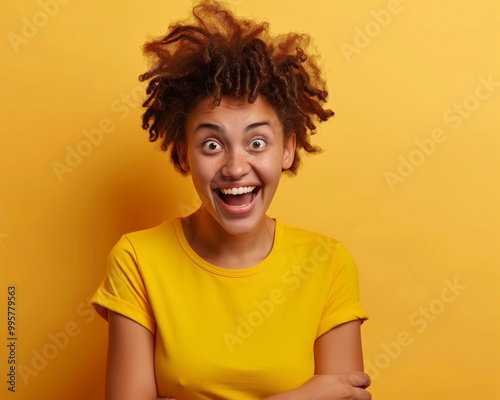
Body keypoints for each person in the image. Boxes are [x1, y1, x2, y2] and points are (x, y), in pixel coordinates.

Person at [91, 1, 371, 399]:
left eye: (257, 142)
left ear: (288, 150)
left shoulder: (328, 264)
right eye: (211, 144)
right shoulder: (137, 259)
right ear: (184, 153)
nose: (236, 167)